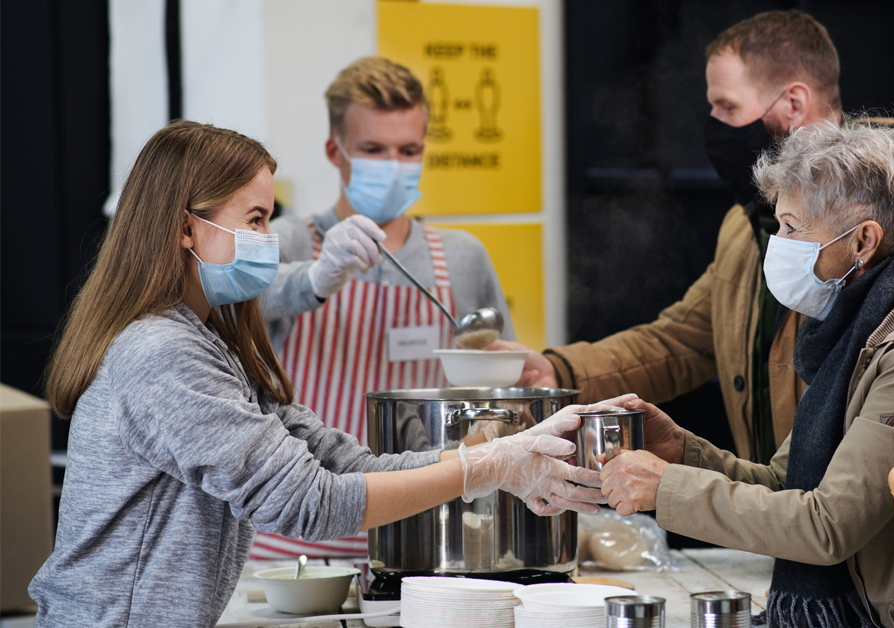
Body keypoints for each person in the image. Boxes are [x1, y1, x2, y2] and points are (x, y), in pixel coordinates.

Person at [29, 122, 605, 628]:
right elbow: (310, 501)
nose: (268, 240)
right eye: (254, 219)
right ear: (185, 228)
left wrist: (495, 459)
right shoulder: (162, 353)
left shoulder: (208, 341)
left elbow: (343, 463)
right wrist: (485, 466)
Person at [597, 122, 894, 627]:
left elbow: (826, 525)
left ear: (864, 240)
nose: (779, 245)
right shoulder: (857, 338)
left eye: (793, 228)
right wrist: (684, 453)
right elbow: (786, 485)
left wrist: (666, 488)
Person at [493, 10, 894, 464]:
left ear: (793, 103)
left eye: (727, 107)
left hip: (872, 544)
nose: (713, 124)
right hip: (782, 531)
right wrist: (555, 370)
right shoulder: (747, 225)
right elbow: (683, 340)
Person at [253, 57, 515, 557]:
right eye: (373, 150)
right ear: (336, 151)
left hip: (426, 535)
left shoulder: (461, 257)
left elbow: (496, 391)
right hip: (297, 538)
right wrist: (314, 277)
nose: (393, 166)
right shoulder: (285, 242)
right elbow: (224, 313)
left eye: (409, 150)